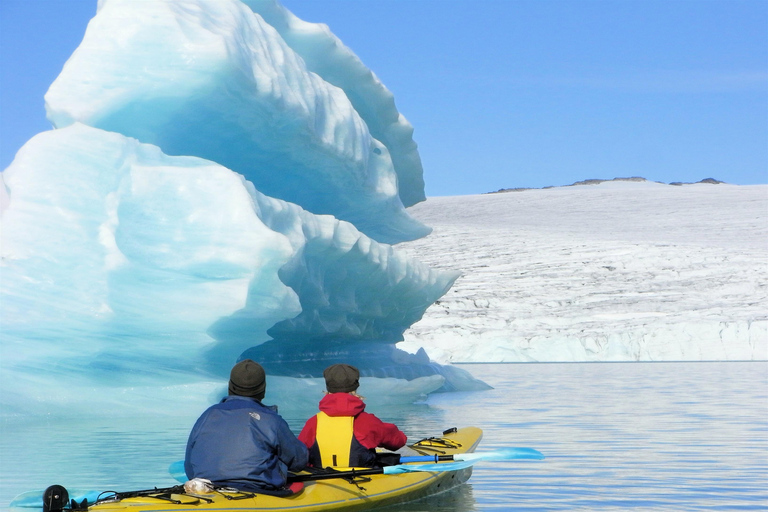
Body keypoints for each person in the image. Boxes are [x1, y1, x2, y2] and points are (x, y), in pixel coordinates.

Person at [184, 359, 308, 492]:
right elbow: (298, 461)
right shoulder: (271, 420)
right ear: (263, 390)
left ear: (230, 387)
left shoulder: (207, 415)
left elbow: (190, 467)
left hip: (208, 487)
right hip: (257, 489)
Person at [298, 363, 407, 468]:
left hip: (322, 478)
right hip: (363, 478)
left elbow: (299, 454)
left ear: (328, 388)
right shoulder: (368, 421)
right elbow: (398, 442)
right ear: (355, 388)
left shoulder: (313, 422)